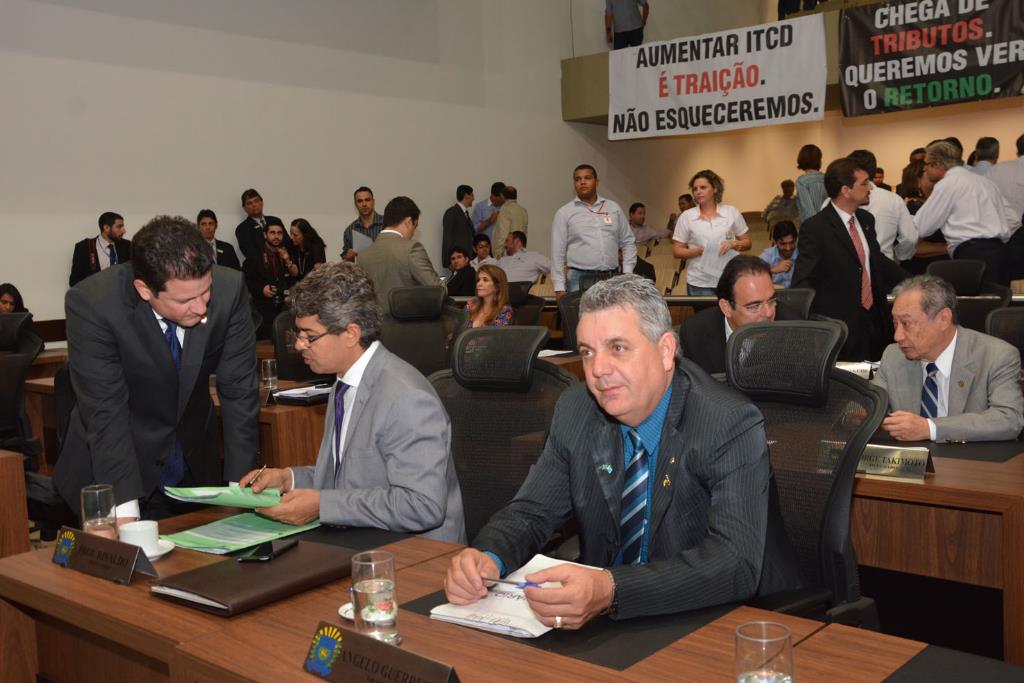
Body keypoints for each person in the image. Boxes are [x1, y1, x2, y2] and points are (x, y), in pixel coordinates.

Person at [442, 274, 800, 627]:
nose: (598, 370)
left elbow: (734, 562)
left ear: (665, 351)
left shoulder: (728, 422)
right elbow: (532, 511)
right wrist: (488, 555)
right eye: (587, 352)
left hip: (715, 620)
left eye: (617, 348)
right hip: (606, 624)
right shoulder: (576, 410)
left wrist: (611, 589)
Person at [241, 262, 465, 543]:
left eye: (309, 336)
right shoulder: (343, 383)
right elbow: (348, 480)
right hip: (365, 542)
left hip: (417, 555)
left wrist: (322, 506)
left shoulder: (407, 398)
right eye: (298, 334)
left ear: (351, 334)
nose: (299, 345)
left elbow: (422, 506)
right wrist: (289, 479)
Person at [55, 215, 260, 521]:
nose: (201, 307)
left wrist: (239, 491)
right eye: (185, 300)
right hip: (115, 468)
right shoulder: (94, 304)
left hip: (193, 468)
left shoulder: (230, 289)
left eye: (205, 292)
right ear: (144, 289)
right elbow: (105, 411)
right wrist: (124, 513)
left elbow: (239, 391)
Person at [874, 275, 1023, 442]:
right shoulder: (894, 356)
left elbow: (1009, 419)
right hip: (913, 457)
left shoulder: (996, 355)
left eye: (906, 323)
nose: (897, 336)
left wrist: (930, 428)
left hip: (971, 456)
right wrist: (858, 415)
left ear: (943, 319)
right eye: (895, 323)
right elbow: (872, 408)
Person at [792, 157, 908, 361]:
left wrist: (914, 281)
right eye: (864, 183)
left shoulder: (866, 220)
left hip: (875, 321)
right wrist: (814, 327)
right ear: (846, 190)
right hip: (841, 329)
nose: (870, 187)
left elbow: (875, 261)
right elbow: (803, 281)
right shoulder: (815, 228)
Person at [914, 141, 1015, 285]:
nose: (925, 168)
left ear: (938, 164)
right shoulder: (985, 182)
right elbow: (1013, 218)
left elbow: (922, 227)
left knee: (975, 299)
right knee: (999, 297)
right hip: (1000, 253)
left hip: (972, 255)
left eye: (927, 164)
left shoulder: (948, 183)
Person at [680, 256, 798, 375]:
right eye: (755, 306)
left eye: (771, 301)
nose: (769, 313)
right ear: (726, 307)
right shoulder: (694, 333)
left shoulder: (795, 332)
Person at [551, 164, 636, 298]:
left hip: (612, 277)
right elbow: (557, 253)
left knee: (612, 313)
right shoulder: (564, 213)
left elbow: (628, 242)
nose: (582, 182)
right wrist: (558, 287)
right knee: (581, 313)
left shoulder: (613, 208)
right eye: (578, 179)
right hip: (579, 278)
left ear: (597, 181)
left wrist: (627, 273)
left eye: (587, 178)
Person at [672, 169, 752, 296]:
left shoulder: (731, 212)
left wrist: (734, 244)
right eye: (695, 189)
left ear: (715, 189)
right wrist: (698, 251)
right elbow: (677, 251)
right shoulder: (686, 216)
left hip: (729, 279)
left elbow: (747, 243)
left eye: (703, 187)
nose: (698, 192)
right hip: (699, 282)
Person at [357, 196, 439, 317]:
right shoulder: (411, 249)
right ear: (409, 222)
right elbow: (437, 290)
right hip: (409, 325)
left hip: (375, 325)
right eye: (415, 226)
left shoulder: (362, 255)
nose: (413, 233)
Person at [848, 149, 918, 263]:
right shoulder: (893, 199)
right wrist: (899, 256)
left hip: (846, 266)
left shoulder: (835, 200)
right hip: (884, 264)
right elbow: (910, 238)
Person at [244, 219, 298, 339]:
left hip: (284, 307)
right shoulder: (254, 255)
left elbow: (294, 276)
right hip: (262, 309)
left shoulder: (286, 253)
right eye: (272, 233)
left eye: (279, 233)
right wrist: (261, 289)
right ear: (265, 235)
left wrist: (287, 260)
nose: (276, 236)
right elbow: (246, 280)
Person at [986, 133, 1024, 281]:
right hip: (1011, 236)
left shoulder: (996, 170)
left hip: (1002, 240)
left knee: (1008, 285)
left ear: (1017, 151)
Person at [69, 211, 131, 287]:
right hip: (95, 293)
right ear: (106, 228)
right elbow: (74, 281)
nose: (124, 231)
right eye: (119, 227)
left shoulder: (127, 246)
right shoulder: (84, 247)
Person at [235, 189, 288, 265]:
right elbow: (250, 254)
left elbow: (286, 242)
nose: (254, 205)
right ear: (244, 208)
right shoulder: (242, 229)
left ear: (262, 202)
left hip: (282, 264)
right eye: (249, 203)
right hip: (259, 268)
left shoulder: (276, 221)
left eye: (256, 201)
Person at [342, 187, 384, 262]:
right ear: (355, 204)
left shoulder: (387, 224)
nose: (364, 204)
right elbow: (348, 263)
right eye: (360, 201)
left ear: (373, 202)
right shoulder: (350, 230)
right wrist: (348, 256)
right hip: (361, 269)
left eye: (367, 200)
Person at [441, 184, 476, 262]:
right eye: (472, 195)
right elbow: (447, 238)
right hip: (457, 260)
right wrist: (449, 261)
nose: (474, 198)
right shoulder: (451, 212)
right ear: (466, 196)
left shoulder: (465, 214)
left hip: (467, 259)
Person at [759, 221, 799, 288]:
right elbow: (752, 274)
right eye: (783, 244)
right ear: (775, 242)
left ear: (796, 240)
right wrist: (773, 269)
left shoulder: (802, 255)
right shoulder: (768, 255)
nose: (788, 248)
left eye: (791, 243)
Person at [492, 185, 528, 258]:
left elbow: (502, 234)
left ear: (502, 196)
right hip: (521, 251)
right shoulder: (523, 210)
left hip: (507, 253)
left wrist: (498, 253)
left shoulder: (505, 210)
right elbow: (525, 232)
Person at [795, 144, 827, 224]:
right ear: (819, 160)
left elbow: (808, 211)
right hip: (829, 223)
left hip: (812, 226)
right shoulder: (827, 178)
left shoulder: (801, 181)